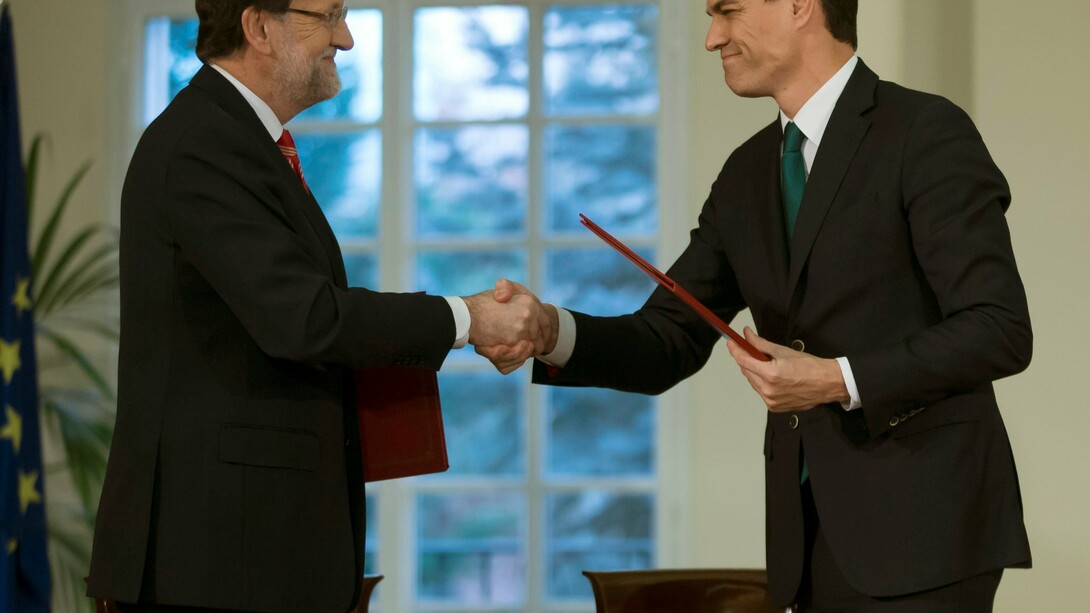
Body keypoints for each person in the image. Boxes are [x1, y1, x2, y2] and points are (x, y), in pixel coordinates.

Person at [479, 0, 1032, 610]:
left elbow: (997, 327)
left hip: (928, 531)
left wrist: (834, 379)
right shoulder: (745, 173)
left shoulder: (925, 130)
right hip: (805, 541)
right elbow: (667, 340)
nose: (713, 38)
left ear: (799, 6)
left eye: (729, 12)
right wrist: (550, 329)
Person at [85, 1, 548, 611]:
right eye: (327, 16)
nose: (347, 38)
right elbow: (303, 319)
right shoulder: (203, 144)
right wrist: (467, 318)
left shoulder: (241, 140)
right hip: (216, 563)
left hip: (249, 555)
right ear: (258, 27)